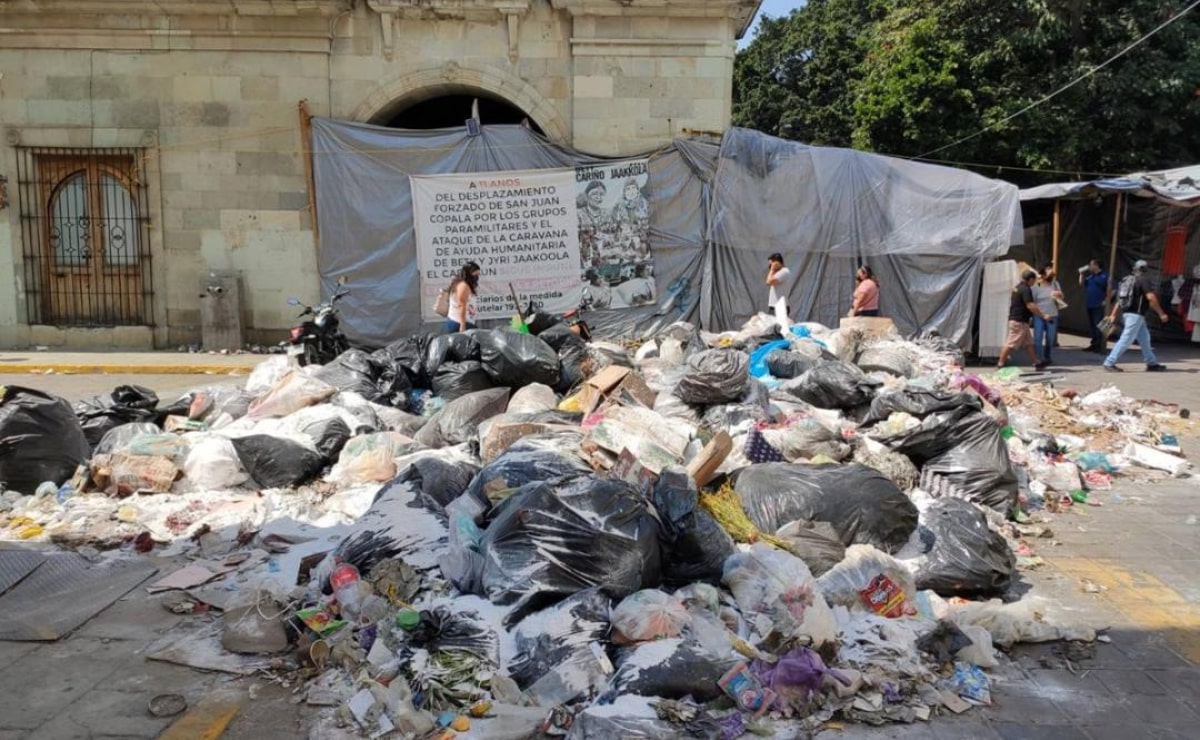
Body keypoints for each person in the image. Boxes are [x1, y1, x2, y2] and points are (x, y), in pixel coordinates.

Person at [1102, 259, 1169, 372]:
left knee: (1145, 338)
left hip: (1128, 314)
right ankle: (1109, 362)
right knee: (1126, 339)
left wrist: (1113, 314)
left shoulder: (1126, 280)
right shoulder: (1143, 280)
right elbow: (1151, 297)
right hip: (1136, 316)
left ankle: (1151, 363)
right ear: (1144, 269)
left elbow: (1119, 300)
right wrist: (1161, 313)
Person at [998, 269, 1050, 371]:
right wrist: (1043, 315)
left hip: (1020, 320)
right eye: (1034, 280)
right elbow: (1030, 305)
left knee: (1028, 343)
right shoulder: (1026, 289)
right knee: (1011, 343)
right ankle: (1000, 363)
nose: (1034, 283)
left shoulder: (1017, 288)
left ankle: (1037, 362)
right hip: (1019, 321)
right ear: (1030, 279)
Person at [1031, 264, 1063, 364]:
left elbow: (1061, 296)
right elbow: (1032, 300)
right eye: (1048, 271)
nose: (1051, 275)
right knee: (1038, 338)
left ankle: (1047, 356)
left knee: (1050, 338)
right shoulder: (1038, 285)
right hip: (1039, 315)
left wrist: (1059, 295)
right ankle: (1038, 358)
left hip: (1052, 314)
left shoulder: (1055, 284)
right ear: (1043, 275)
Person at [1079, 259, 1110, 352]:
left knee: (1100, 325)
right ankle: (1094, 344)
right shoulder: (1091, 276)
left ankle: (1101, 345)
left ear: (1097, 265)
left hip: (1099, 304)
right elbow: (1081, 284)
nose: (1089, 266)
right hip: (1090, 304)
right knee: (1093, 325)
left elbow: (1112, 290)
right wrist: (1081, 274)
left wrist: (1106, 300)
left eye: (1091, 265)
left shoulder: (1105, 276)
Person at [445, 261, 480, 333]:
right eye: (475, 274)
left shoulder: (464, 285)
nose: (477, 277)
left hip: (464, 322)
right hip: (458, 323)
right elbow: (461, 306)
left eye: (478, 274)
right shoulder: (463, 286)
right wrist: (462, 325)